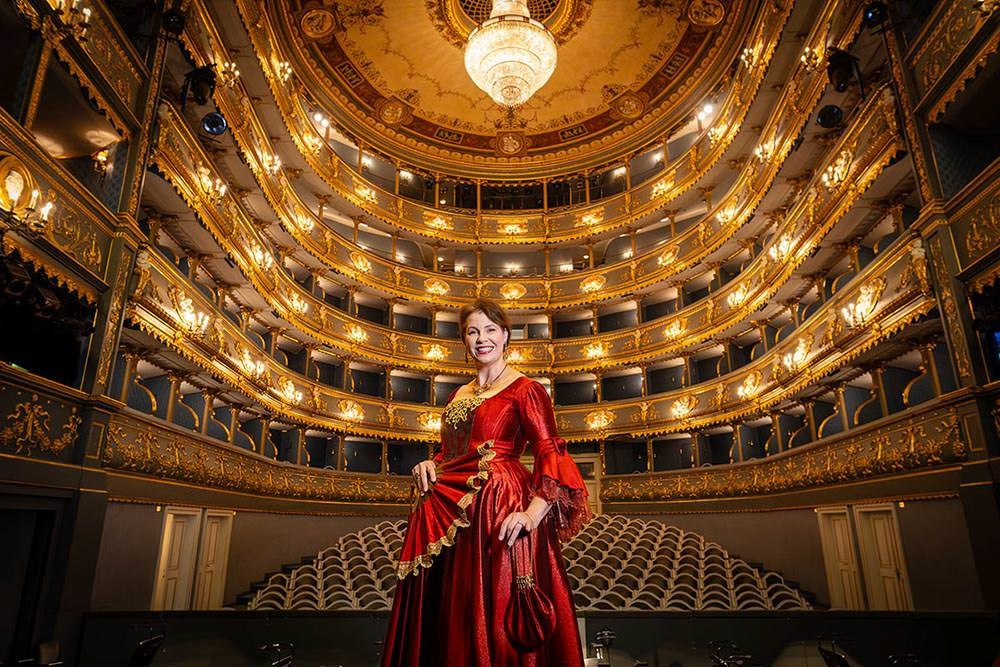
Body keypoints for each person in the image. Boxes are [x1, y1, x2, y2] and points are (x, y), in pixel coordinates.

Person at [382, 299, 591, 666]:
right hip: (454, 514)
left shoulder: (526, 389)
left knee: (496, 613)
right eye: (473, 331)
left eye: (490, 330)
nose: (482, 339)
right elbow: (453, 453)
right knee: (457, 610)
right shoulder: (456, 394)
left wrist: (531, 515)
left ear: (506, 335)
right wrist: (431, 463)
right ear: (464, 340)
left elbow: (550, 453)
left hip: (502, 506)